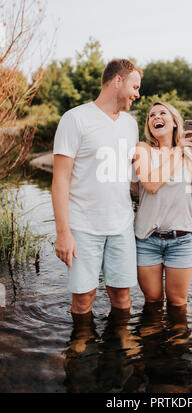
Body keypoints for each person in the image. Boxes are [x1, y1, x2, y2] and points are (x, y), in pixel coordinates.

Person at [52, 58, 142, 315]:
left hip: (122, 225)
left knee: (122, 297)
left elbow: (130, 176)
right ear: (118, 81)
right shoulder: (75, 119)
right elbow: (60, 180)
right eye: (135, 87)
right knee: (83, 299)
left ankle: (122, 345)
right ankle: (81, 346)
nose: (137, 94)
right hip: (83, 227)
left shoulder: (130, 124)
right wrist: (63, 233)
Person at [133, 101, 192, 308]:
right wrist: (179, 151)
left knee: (178, 303)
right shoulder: (143, 150)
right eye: (151, 116)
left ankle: (177, 340)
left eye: (162, 113)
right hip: (147, 239)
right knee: (153, 301)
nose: (156, 118)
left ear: (175, 122)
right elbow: (150, 185)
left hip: (181, 240)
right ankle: (153, 340)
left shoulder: (188, 154)